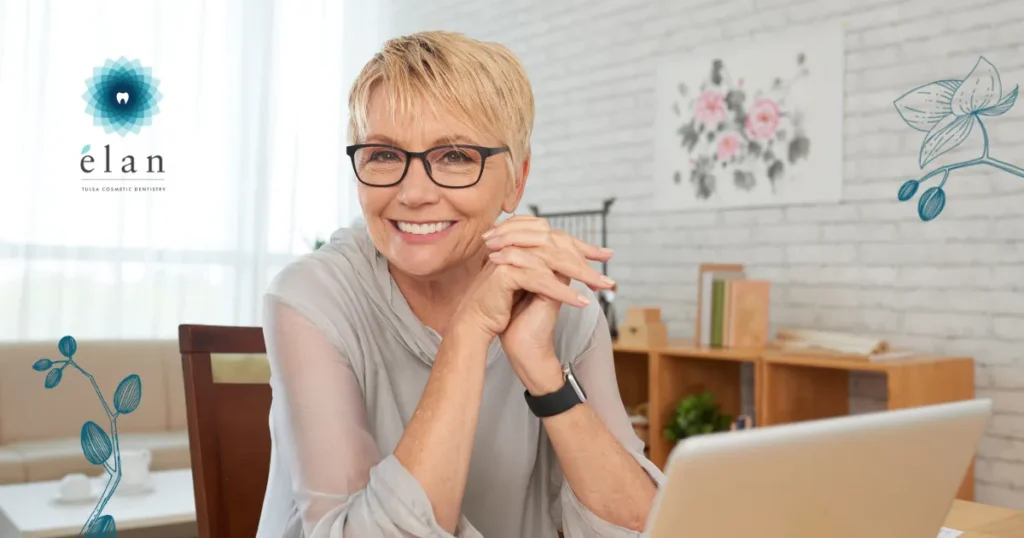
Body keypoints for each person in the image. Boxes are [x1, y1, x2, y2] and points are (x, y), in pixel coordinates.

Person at [256, 30, 663, 538]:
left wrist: (545, 375)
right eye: (383, 154)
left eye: (454, 156)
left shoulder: (557, 302)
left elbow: (646, 527)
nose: (413, 192)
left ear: (517, 179)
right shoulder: (310, 297)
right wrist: (469, 332)